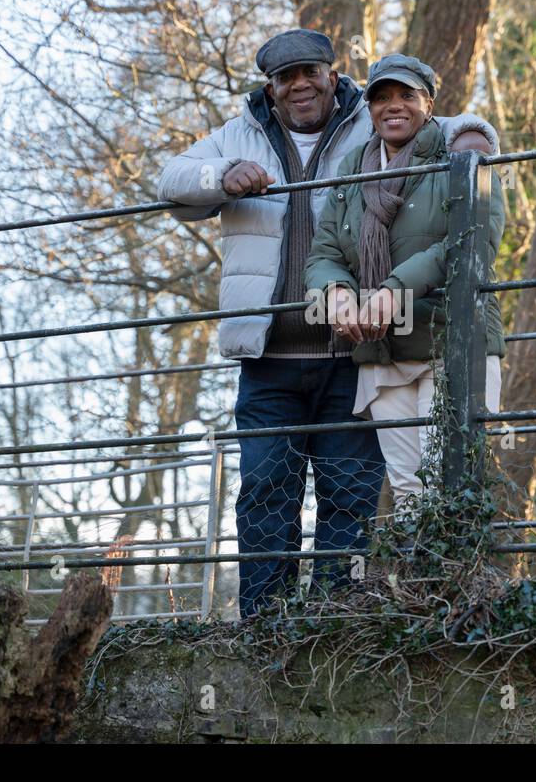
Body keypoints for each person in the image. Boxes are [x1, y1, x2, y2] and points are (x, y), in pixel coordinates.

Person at [158, 30, 498, 617]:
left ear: (332, 74)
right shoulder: (240, 133)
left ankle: (334, 624)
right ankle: (265, 626)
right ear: (270, 86)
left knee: (351, 494)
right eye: (285, 77)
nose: (299, 85)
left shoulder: (365, 120)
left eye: (310, 72)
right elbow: (170, 179)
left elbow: (427, 118)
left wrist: (475, 136)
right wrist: (223, 175)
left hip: (352, 354)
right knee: (265, 488)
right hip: (268, 357)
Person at [304, 53, 506, 508]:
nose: (393, 106)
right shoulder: (354, 168)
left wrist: (391, 292)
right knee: (407, 488)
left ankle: (458, 578)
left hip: (450, 342)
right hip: (382, 352)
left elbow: (471, 242)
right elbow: (325, 252)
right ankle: (417, 581)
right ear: (369, 108)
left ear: (429, 103)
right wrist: (336, 294)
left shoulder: (462, 155)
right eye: (381, 98)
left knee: (448, 480)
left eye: (406, 96)